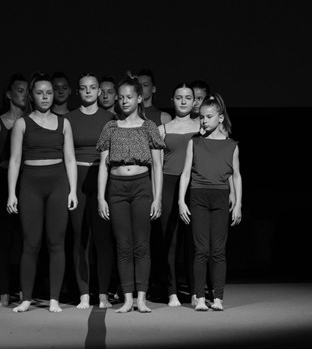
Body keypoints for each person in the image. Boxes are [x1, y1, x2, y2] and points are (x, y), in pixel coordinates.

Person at [7, 73, 79, 313]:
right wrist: (11, 193)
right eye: (40, 92)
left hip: (58, 184)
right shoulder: (22, 123)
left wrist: (73, 191)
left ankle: (54, 299)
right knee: (31, 243)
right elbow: (14, 160)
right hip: (30, 185)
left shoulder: (64, 123)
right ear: (32, 96)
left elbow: (70, 159)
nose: (46, 96)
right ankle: (26, 298)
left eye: (49, 92)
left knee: (56, 243)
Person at [96, 73, 165, 313]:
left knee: (141, 245)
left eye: (129, 97)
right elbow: (103, 165)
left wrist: (157, 198)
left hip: (141, 187)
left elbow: (157, 166)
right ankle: (127, 298)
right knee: (123, 245)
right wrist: (101, 197)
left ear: (139, 99)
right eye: (121, 97)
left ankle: (142, 298)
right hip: (116, 189)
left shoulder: (149, 127)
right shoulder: (111, 127)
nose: (125, 101)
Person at [178, 93, 242, 311]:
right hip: (198, 196)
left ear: (220, 118)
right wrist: (181, 201)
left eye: (209, 117)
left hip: (220, 196)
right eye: (202, 117)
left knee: (218, 251)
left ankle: (218, 298)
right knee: (201, 249)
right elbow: (186, 173)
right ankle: (199, 297)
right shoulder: (195, 142)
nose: (204, 121)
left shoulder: (231, 145)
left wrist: (238, 203)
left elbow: (236, 176)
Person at [65, 73, 115, 309]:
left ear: (99, 91)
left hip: (102, 179)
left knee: (103, 239)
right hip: (77, 180)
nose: (88, 91)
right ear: (78, 91)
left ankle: (103, 293)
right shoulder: (68, 119)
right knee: (80, 238)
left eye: (92, 87)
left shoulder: (110, 118)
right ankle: (84, 293)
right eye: (83, 88)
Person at [0, 73, 28, 307]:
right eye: (20, 90)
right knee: (6, 237)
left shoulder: (30, 121)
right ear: (9, 94)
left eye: (26, 90)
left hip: (26, 181)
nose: (24, 95)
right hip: (3, 181)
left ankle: (23, 290)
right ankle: (4, 292)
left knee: (25, 238)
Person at [154, 82, 199, 307]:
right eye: (179, 97)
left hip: (195, 185)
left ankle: (195, 291)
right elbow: (157, 166)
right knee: (169, 241)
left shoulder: (202, 127)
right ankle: (171, 291)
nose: (183, 101)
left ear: (194, 102)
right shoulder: (162, 129)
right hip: (169, 185)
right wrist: (157, 196)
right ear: (172, 101)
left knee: (193, 242)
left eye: (188, 97)